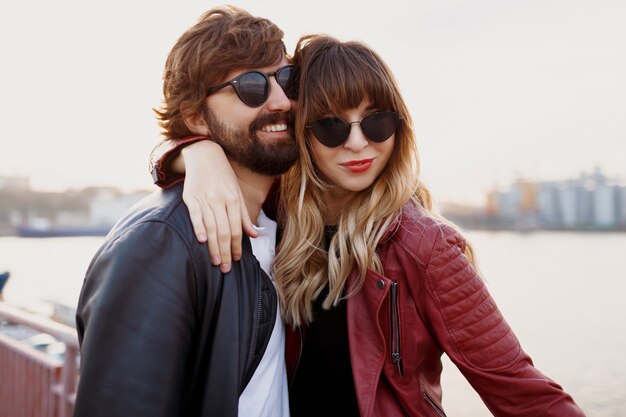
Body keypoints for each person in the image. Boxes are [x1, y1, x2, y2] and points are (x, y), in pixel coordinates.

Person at [152, 37, 586, 416]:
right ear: (301, 132)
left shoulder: (425, 246)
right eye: (331, 126)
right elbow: (199, 149)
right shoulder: (276, 210)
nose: (358, 143)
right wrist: (194, 153)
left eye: (377, 121)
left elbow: (520, 388)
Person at [73, 6, 299, 417]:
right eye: (252, 86)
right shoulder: (160, 243)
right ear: (195, 117)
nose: (282, 100)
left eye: (287, 77)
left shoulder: (286, 224)